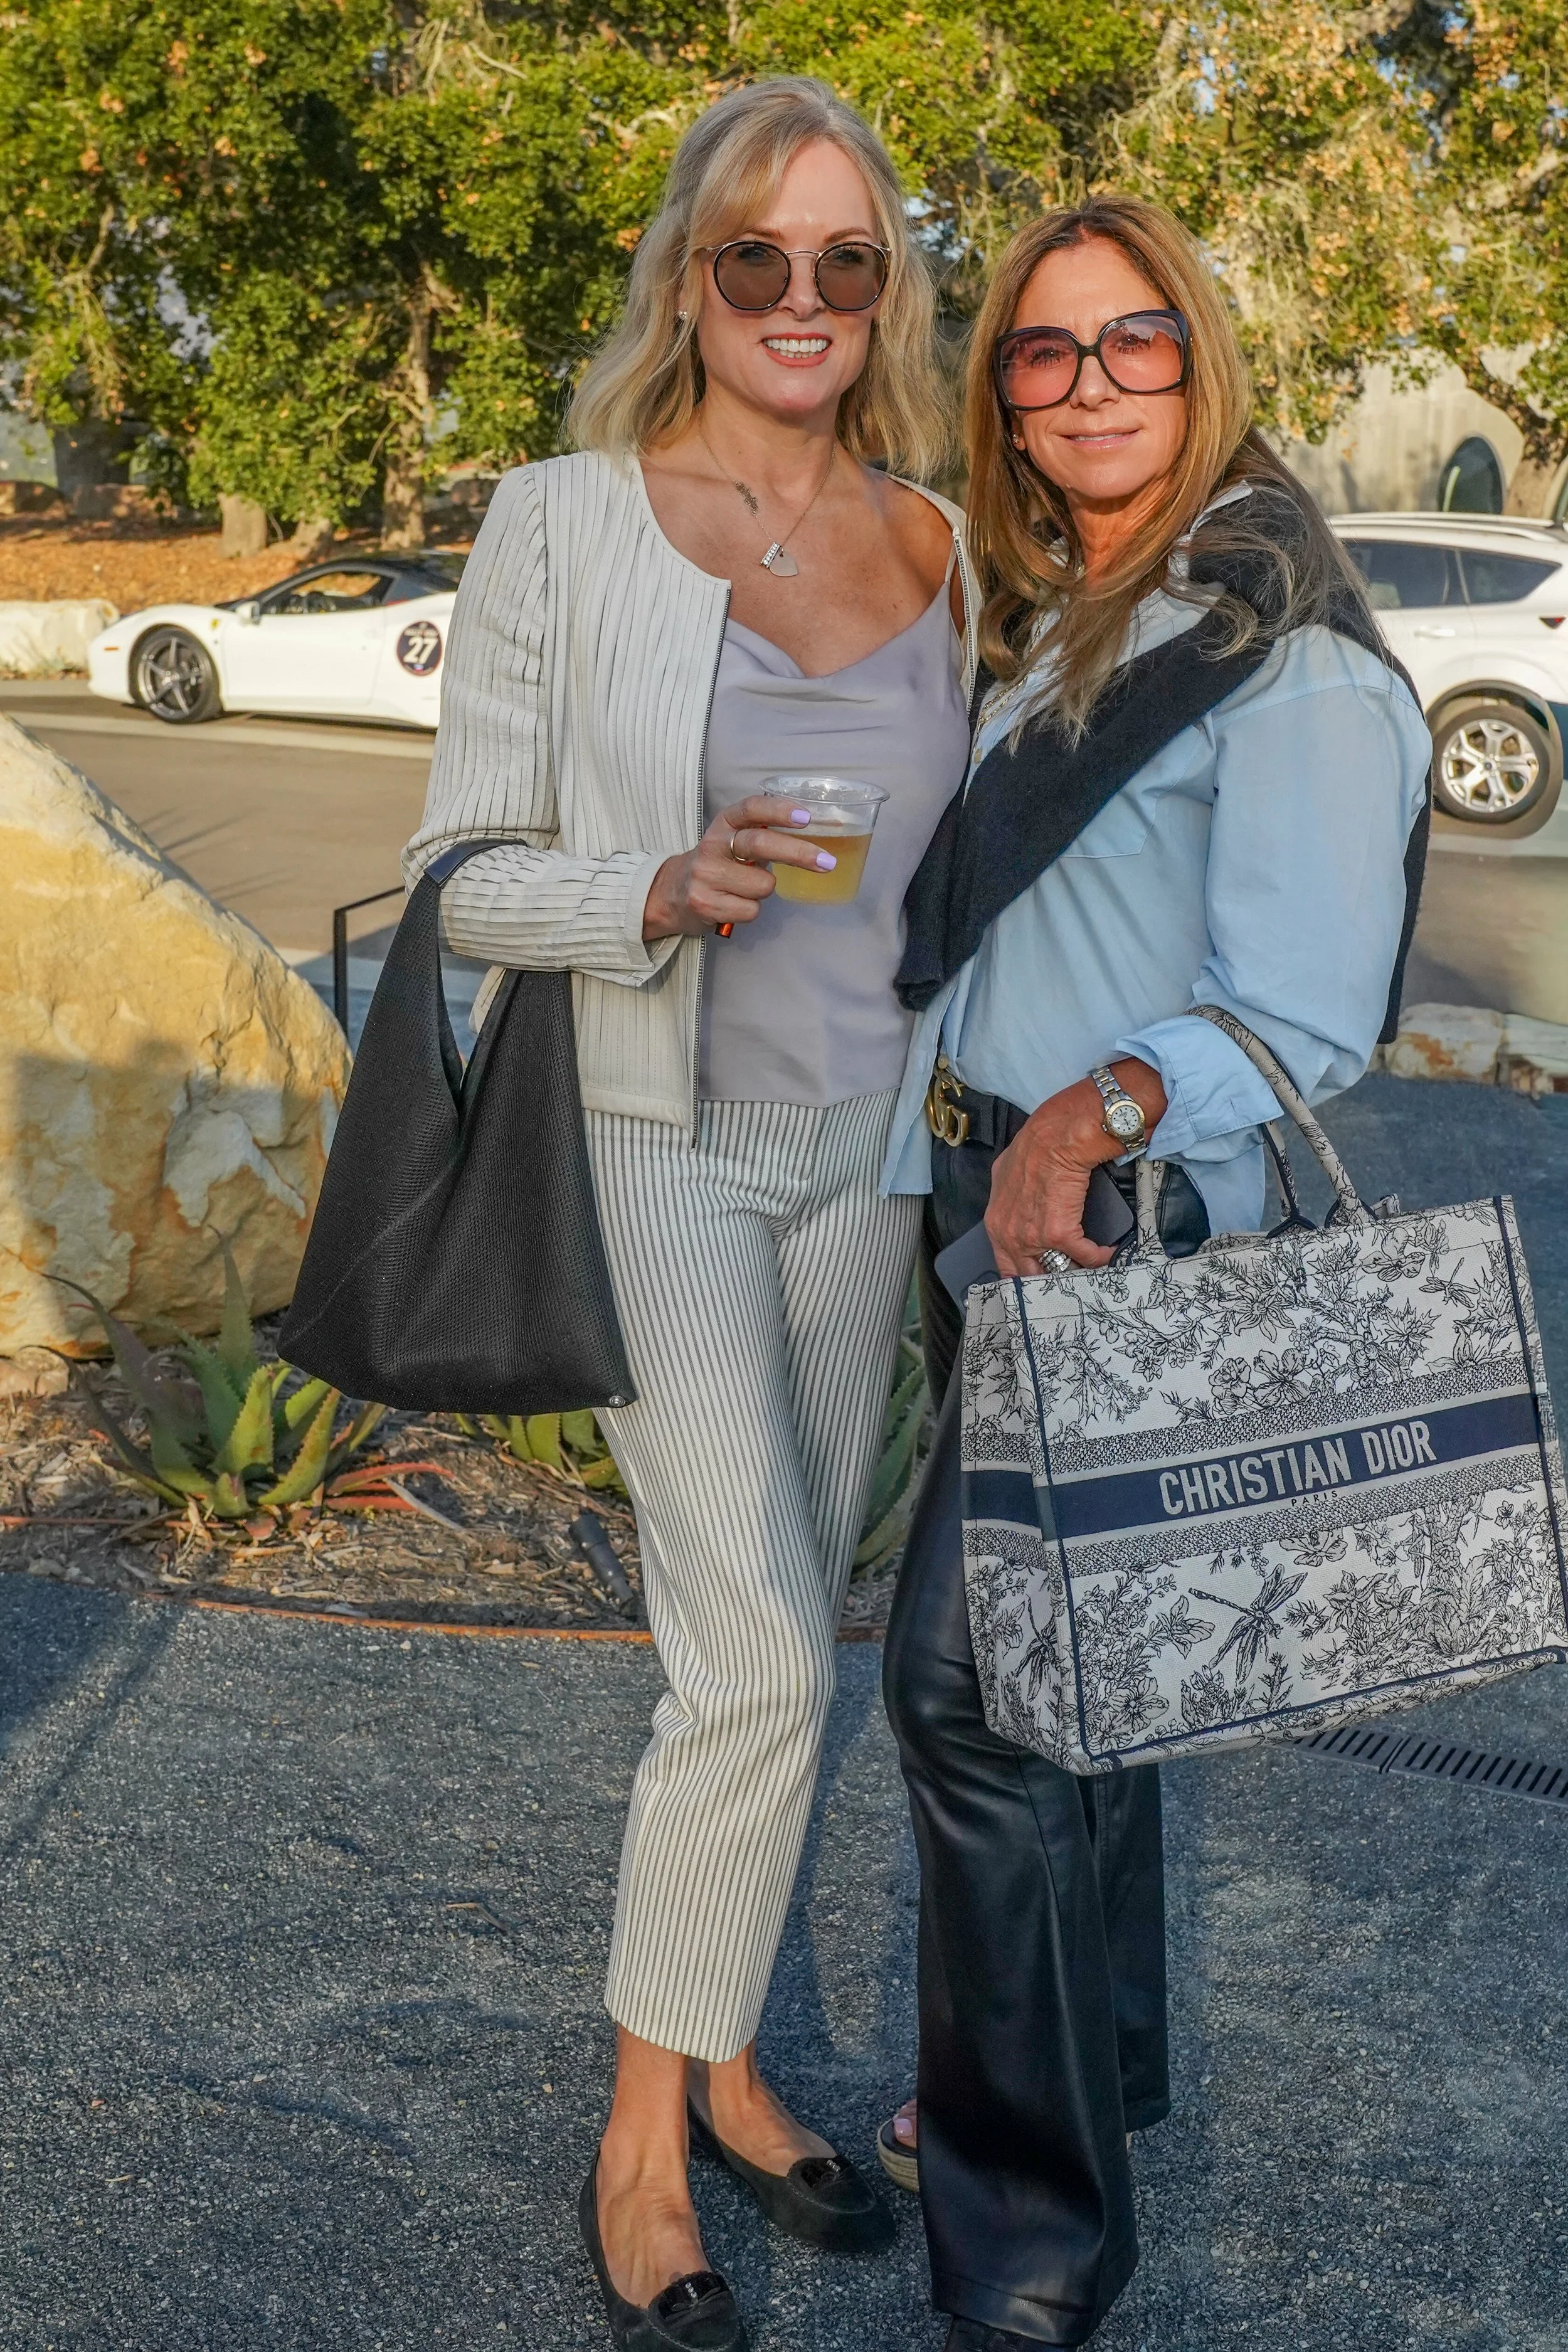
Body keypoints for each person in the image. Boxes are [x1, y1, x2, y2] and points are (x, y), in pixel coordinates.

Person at [403, 76, 977, 2352]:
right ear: (689, 273)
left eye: (850, 264)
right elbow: (458, 881)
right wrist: (647, 885)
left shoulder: (937, 544)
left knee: (779, 1632)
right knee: (746, 1652)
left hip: (863, 1154)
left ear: (884, 294)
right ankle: (640, 2146)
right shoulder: (559, 520)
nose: (806, 300)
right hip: (650, 1132)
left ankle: (728, 2061)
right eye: (763, 258)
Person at [877, 195, 1432, 2348]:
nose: (1091, 382)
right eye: (1043, 350)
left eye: (1133, 343)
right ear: (1001, 388)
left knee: (974, 1700)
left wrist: (1087, 1109)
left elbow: (1308, 1008)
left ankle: (1025, 2246)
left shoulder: (1275, 645)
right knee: (1079, 1701)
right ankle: (1090, 2081)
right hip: (986, 1220)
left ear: (1200, 362)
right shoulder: (1072, 615)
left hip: (1108, 1233)